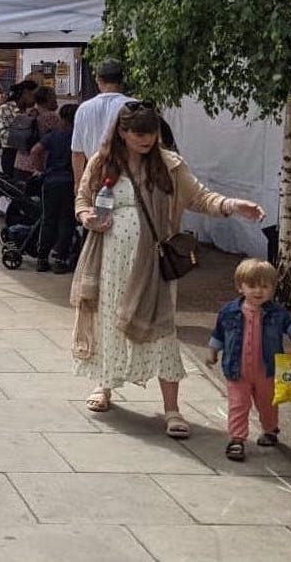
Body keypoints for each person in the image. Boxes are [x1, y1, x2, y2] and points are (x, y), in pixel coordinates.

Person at [71, 101, 265, 438]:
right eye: (138, 134)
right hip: (109, 259)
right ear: (122, 132)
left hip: (153, 264)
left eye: (151, 134)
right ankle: (105, 386)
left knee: (162, 329)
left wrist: (233, 206)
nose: (146, 141)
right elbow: (82, 199)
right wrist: (86, 216)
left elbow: (200, 198)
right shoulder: (103, 162)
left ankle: (172, 409)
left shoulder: (169, 166)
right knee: (108, 320)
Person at [207, 259, 291, 462]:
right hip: (237, 371)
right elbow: (219, 332)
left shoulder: (277, 313)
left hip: (267, 371)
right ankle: (237, 440)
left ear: (272, 288)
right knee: (238, 405)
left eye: (265, 286)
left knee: (267, 404)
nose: (258, 291)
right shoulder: (229, 311)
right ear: (240, 287)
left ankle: (270, 429)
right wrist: (212, 351)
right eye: (252, 285)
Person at [30, 103, 78, 272]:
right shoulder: (78, 137)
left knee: (48, 219)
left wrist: (40, 170)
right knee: (67, 221)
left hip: (51, 181)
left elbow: (35, 151)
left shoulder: (53, 135)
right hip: (71, 182)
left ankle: (42, 257)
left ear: (62, 118)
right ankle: (60, 259)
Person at [71, 59, 133, 190]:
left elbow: (77, 152)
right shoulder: (133, 106)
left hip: (96, 180)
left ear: (98, 80)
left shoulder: (84, 109)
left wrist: (78, 184)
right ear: (122, 80)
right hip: (129, 178)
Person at [23, 86, 63, 175]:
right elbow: (58, 139)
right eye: (54, 97)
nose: (56, 100)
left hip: (21, 162)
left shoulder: (29, 113)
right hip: (38, 164)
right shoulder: (51, 116)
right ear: (48, 99)